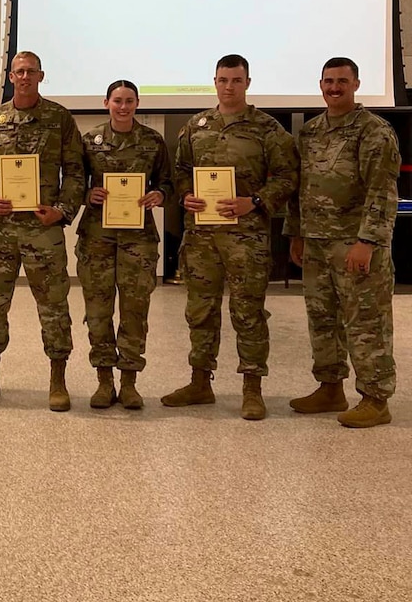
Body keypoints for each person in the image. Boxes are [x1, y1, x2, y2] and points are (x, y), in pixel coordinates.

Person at [162, 54, 299, 420]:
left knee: (248, 312)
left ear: (247, 83)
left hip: (246, 238)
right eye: (223, 80)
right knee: (200, 311)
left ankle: (252, 388)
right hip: (202, 238)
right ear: (215, 81)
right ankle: (200, 382)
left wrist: (254, 202)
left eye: (236, 80)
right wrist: (186, 194)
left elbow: (287, 177)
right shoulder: (196, 126)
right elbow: (180, 172)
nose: (229, 87)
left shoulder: (267, 129)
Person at [286, 57, 399, 428]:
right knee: (323, 319)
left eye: (342, 81)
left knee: (366, 322)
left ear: (356, 84)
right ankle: (330, 386)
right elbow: (300, 189)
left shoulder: (374, 131)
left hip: (355, 244)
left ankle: (375, 397)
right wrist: (297, 233)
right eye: (328, 81)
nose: (334, 88)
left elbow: (381, 192)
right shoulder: (311, 131)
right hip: (317, 244)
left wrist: (368, 241)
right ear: (320, 85)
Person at [0, 51, 85, 410]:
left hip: (43, 232)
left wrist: (62, 212)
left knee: (53, 306)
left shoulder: (59, 119)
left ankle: (58, 380)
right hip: (2, 232)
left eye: (30, 72)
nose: (24, 77)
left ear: (41, 76)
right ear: (10, 76)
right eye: (18, 72)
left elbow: (76, 171)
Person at [75, 80, 172, 410]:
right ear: (106, 103)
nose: (123, 106)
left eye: (129, 101)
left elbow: (167, 182)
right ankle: (104, 380)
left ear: (137, 103)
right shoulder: (89, 141)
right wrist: (88, 195)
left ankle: (129, 381)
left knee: (134, 310)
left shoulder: (153, 141)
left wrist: (159, 195)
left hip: (138, 239)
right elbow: (75, 183)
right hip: (97, 237)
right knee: (98, 310)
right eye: (117, 100)